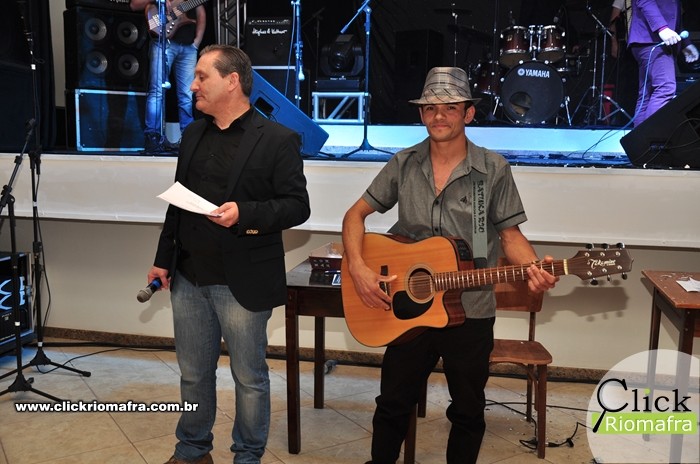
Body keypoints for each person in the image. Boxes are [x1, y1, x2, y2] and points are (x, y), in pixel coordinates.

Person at [341, 67, 558, 464]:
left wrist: (533, 269)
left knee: (468, 410)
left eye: (450, 107)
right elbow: (355, 215)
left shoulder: (492, 169)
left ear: (468, 114)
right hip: (408, 310)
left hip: (470, 312)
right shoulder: (404, 163)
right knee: (392, 404)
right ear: (421, 114)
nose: (438, 116)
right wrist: (357, 265)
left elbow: (510, 236)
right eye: (430, 108)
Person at [147, 44, 310, 464]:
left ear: (232, 81)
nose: (192, 85)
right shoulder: (192, 134)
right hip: (189, 277)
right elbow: (177, 204)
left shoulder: (278, 139)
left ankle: (248, 456)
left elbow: (297, 206)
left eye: (202, 76)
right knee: (193, 375)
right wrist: (163, 259)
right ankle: (193, 450)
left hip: (242, 281)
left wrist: (245, 214)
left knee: (249, 378)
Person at [130, 0, 206, 153]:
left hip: (188, 47)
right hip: (163, 44)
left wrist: (196, 43)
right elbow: (134, 5)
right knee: (157, 92)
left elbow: (201, 13)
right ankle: (153, 136)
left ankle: (187, 138)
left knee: (187, 94)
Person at [628, 0, 698, 126]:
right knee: (665, 88)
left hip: (648, 40)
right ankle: (651, 136)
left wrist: (685, 43)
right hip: (652, 40)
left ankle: (641, 138)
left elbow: (672, 14)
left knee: (647, 96)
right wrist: (662, 28)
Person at [608, 0, 638, 126]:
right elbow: (613, 20)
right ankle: (624, 120)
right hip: (632, 44)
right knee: (628, 84)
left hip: (656, 44)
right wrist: (614, 42)